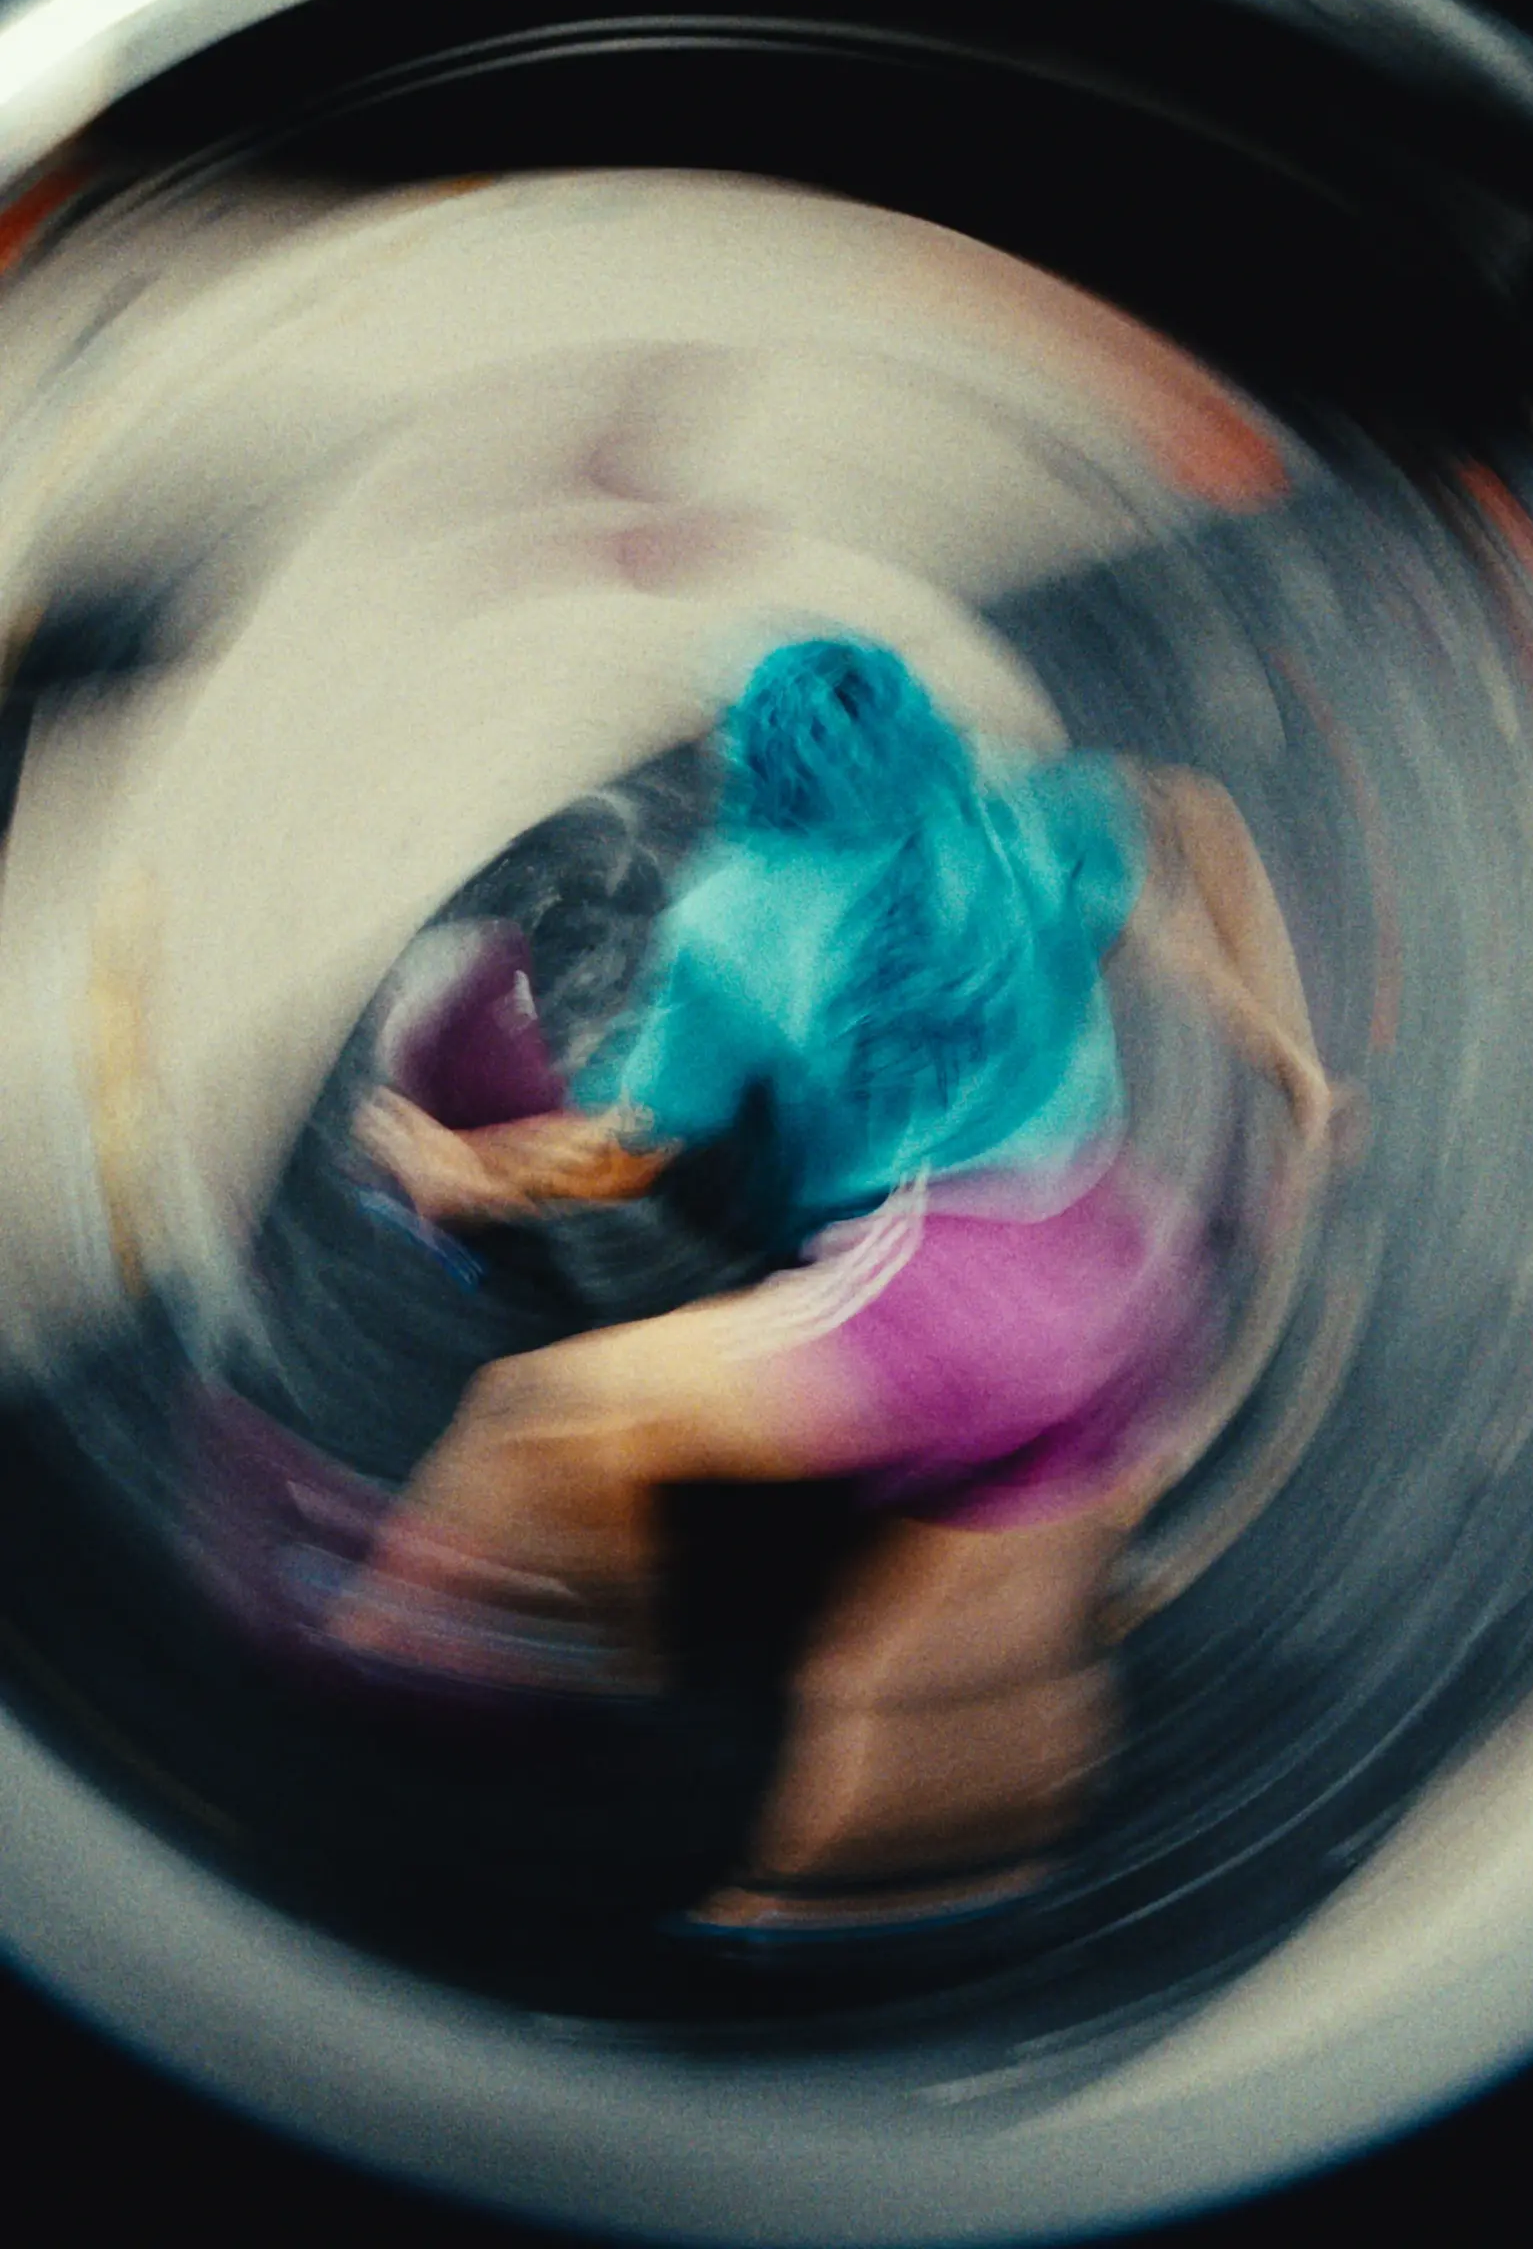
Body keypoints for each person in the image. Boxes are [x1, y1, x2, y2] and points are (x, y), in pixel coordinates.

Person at [338, 636, 1342, 1932]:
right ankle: (874, 1918)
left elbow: (620, 1151)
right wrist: (1284, 1054)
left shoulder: (738, 909)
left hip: (943, 1300)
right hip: (1121, 1290)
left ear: (756, 774)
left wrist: (460, 1171)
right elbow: (1195, 818)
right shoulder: (1033, 812)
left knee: (538, 1428)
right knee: (911, 1735)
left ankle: (423, 1701)